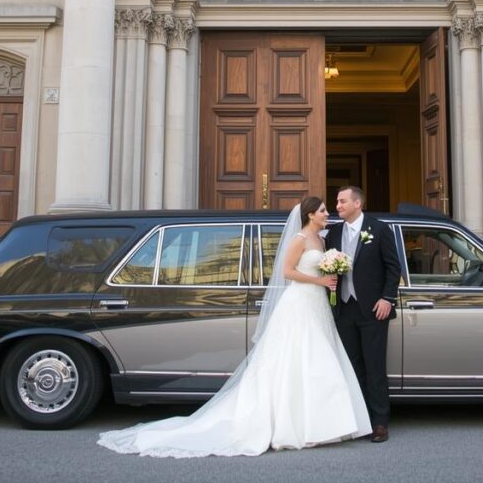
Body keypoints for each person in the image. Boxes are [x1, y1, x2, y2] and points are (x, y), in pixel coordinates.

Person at [97, 196, 371, 458]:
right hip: (301, 302)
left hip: (317, 304)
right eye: (323, 210)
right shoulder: (299, 238)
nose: (328, 213)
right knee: (296, 358)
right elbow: (287, 272)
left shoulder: (321, 240)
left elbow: (318, 268)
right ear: (311, 214)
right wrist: (320, 282)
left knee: (315, 361)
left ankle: (321, 423)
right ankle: (296, 425)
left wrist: (329, 275)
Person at [325, 185, 401, 443]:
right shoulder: (333, 233)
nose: (337, 206)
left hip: (373, 310)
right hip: (344, 309)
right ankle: (359, 420)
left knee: (375, 366)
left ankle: (380, 423)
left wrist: (387, 298)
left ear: (357, 203)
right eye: (337, 202)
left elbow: (393, 268)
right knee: (352, 366)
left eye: (342, 201)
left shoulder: (379, 229)